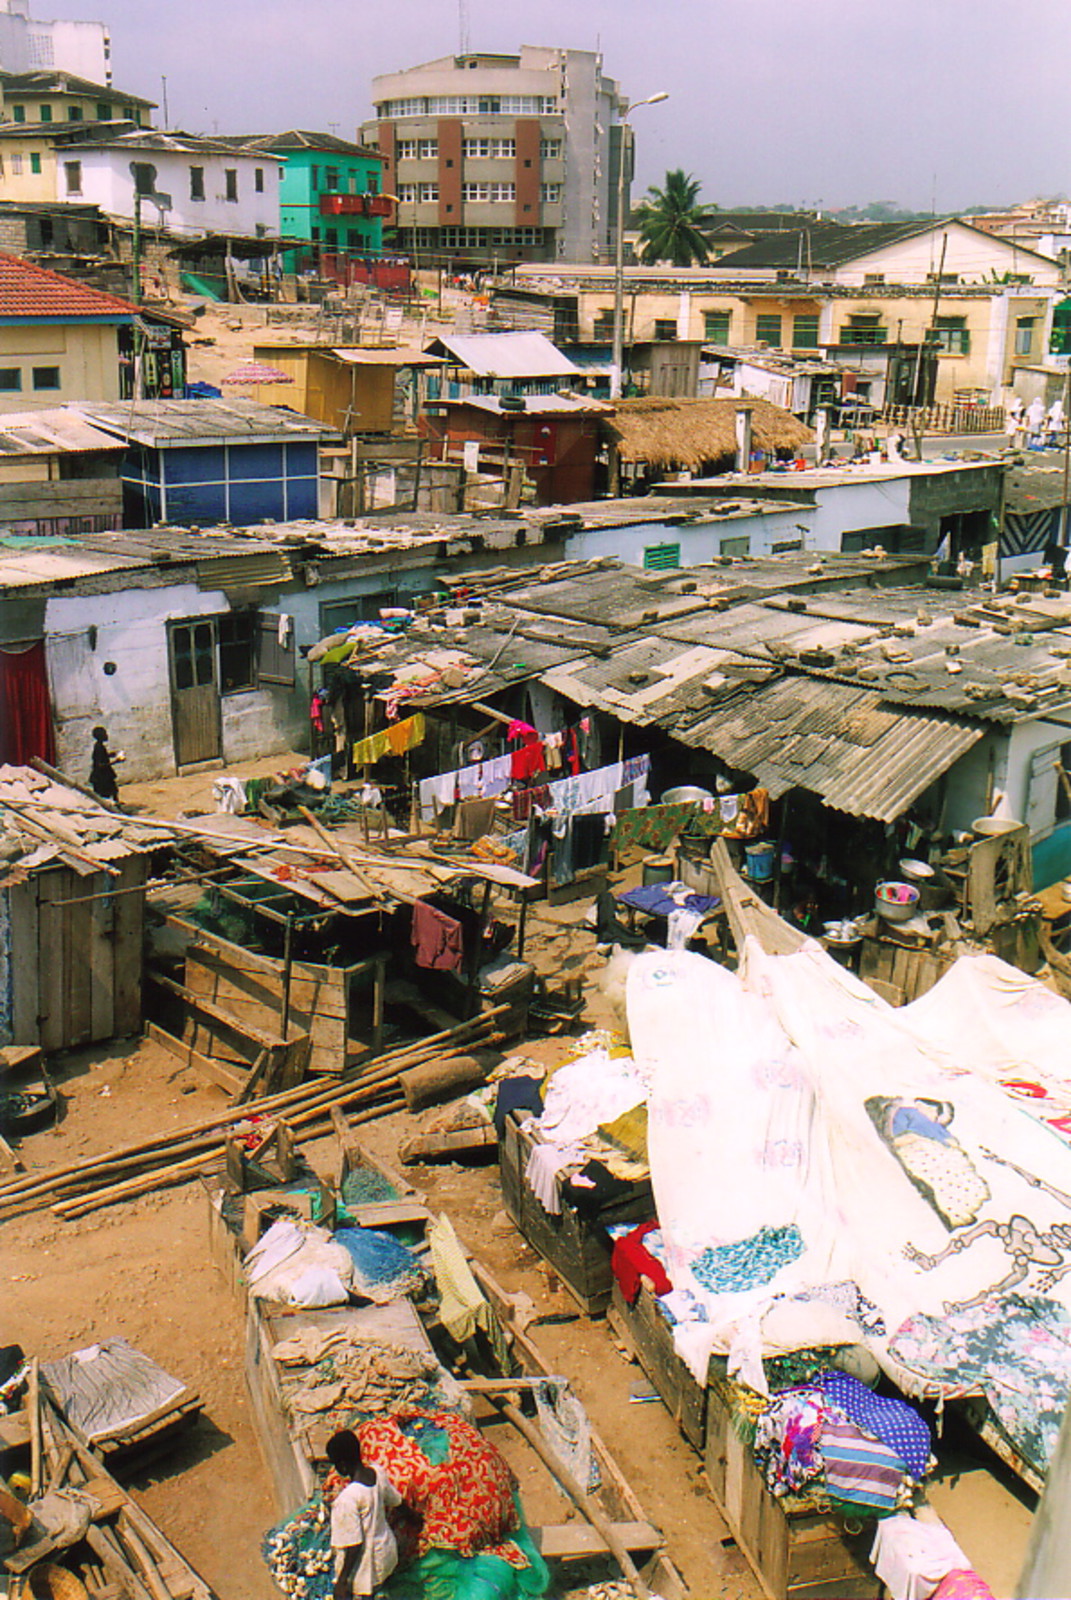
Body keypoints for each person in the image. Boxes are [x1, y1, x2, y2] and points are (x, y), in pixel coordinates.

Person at [327, 1429, 401, 1600]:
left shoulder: (347, 1500)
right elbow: (396, 1501)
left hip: (367, 1568)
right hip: (386, 1554)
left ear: (343, 1465)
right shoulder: (377, 1473)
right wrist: (415, 1518)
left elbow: (354, 1545)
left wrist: (342, 1581)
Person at [89, 726, 123, 803]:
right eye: (105, 734)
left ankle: (116, 805)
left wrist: (109, 755)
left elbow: (100, 757)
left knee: (113, 791)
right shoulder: (98, 747)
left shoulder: (99, 746)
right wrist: (115, 761)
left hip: (104, 775)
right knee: (105, 794)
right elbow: (100, 765)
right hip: (101, 777)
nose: (107, 735)